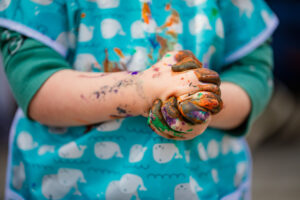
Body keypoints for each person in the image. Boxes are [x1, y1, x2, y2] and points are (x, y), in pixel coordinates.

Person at [0, 0, 278, 199]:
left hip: (203, 183)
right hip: (72, 185)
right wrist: (140, 90)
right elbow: (36, 84)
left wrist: (202, 103)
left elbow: (252, 73)